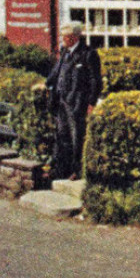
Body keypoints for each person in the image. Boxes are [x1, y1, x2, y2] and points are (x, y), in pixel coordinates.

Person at [46, 22, 102, 181]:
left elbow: (95, 81)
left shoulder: (88, 54)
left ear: (75, 37)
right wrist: (46, 84)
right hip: (61, 101)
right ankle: (61, 169)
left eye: (66, 36)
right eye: (63, 36)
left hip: (77, 102)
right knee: (62, 136)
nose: (63, 39)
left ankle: (76, 171)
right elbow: (56, 72)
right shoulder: (64, 52)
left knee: (76, 137)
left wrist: (91, 102)